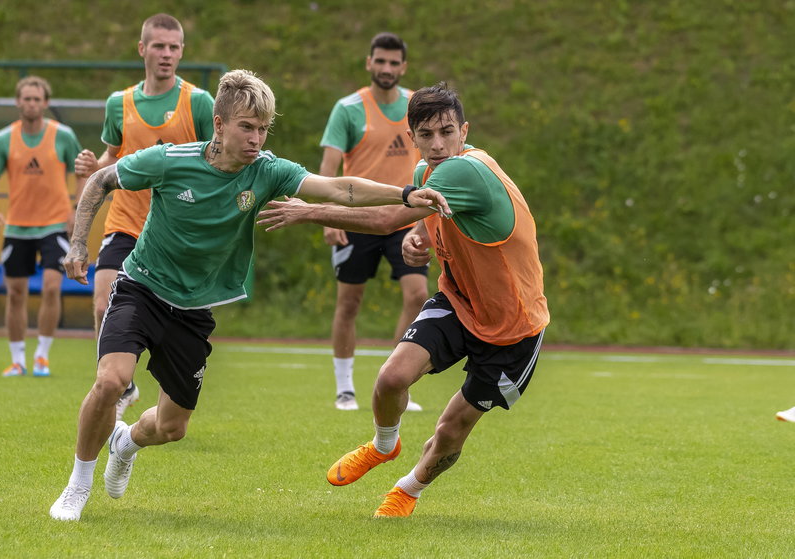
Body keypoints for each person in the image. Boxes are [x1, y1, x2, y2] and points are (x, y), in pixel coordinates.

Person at [48, 69, 450, 522]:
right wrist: (80, 243)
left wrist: (407, 193)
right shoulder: (168, 159)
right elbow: (102, 180)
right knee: (111, 380)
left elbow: (340, 188)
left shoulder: (268, 170)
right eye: (247, 127)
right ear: (218, 124)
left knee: (170, 427)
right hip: (142, 289)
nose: (256, 138)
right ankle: (76, 487)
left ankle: (125, 443)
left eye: (263, 128)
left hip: (194, 310)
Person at [258, 83, 550, 517]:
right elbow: (420, 222)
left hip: (514, 328)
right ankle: (384, 445)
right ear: (410, 136)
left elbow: (385, 219)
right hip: (460, 301)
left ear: (463, 130)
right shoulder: (423, 174)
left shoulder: (464, 170)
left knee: (450, 431)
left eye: (447, 132)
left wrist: (309, 211)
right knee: (391, 379)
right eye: (426, 134)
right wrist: (418, 242)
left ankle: (408, 490)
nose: (437, 145)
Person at [75, 13, 215, 419]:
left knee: (175, 326)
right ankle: (121, 385)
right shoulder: (119, 103)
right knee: (102, 303)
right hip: (125, 223)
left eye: (174, 47)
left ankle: (168, 399)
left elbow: (214, 160)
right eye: (159, 46)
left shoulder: (199, 102)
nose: (166, 54)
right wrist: (92, 165)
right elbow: (110, 159)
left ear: (182, 51)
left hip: (176, 235)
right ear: (142, 49)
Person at [319, 32, 426, 412]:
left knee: (417, 295)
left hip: (405, 220)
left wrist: (424, 217)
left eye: (394, 63)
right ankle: (344, 388)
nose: (386, 68)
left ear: (403, 67)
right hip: (357, 219)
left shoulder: (417, 105)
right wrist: (330, 217)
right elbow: (329, 170)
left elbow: (434, 159)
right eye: (380, 61)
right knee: (350, 303)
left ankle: (393, 382)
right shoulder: (348, 108)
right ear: (369, 63)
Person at [0, 76, 85, 378]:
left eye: (37, 99)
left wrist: (77, 209)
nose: (31, 104)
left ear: (46, 103)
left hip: (54, 224)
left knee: (52, 287)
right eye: (26, 98)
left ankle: (42, 355)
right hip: (17, 227)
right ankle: (17, 359)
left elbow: (82, 173)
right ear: (18, 102)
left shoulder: (63, 135)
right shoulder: (3, 139)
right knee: (15, 293)